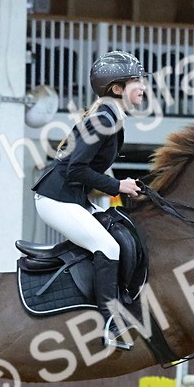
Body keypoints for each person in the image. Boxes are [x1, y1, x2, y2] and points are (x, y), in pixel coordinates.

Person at [32, 51, 147, 349]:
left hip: (71, 196)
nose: (143, 87)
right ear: (117, 89)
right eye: (136, 81)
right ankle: (110, 323)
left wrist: (120, 187)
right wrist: (118, 185)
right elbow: (77, 169)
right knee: (107, 246)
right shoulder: (102, 119)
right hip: (55, 199)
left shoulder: (110, 116)